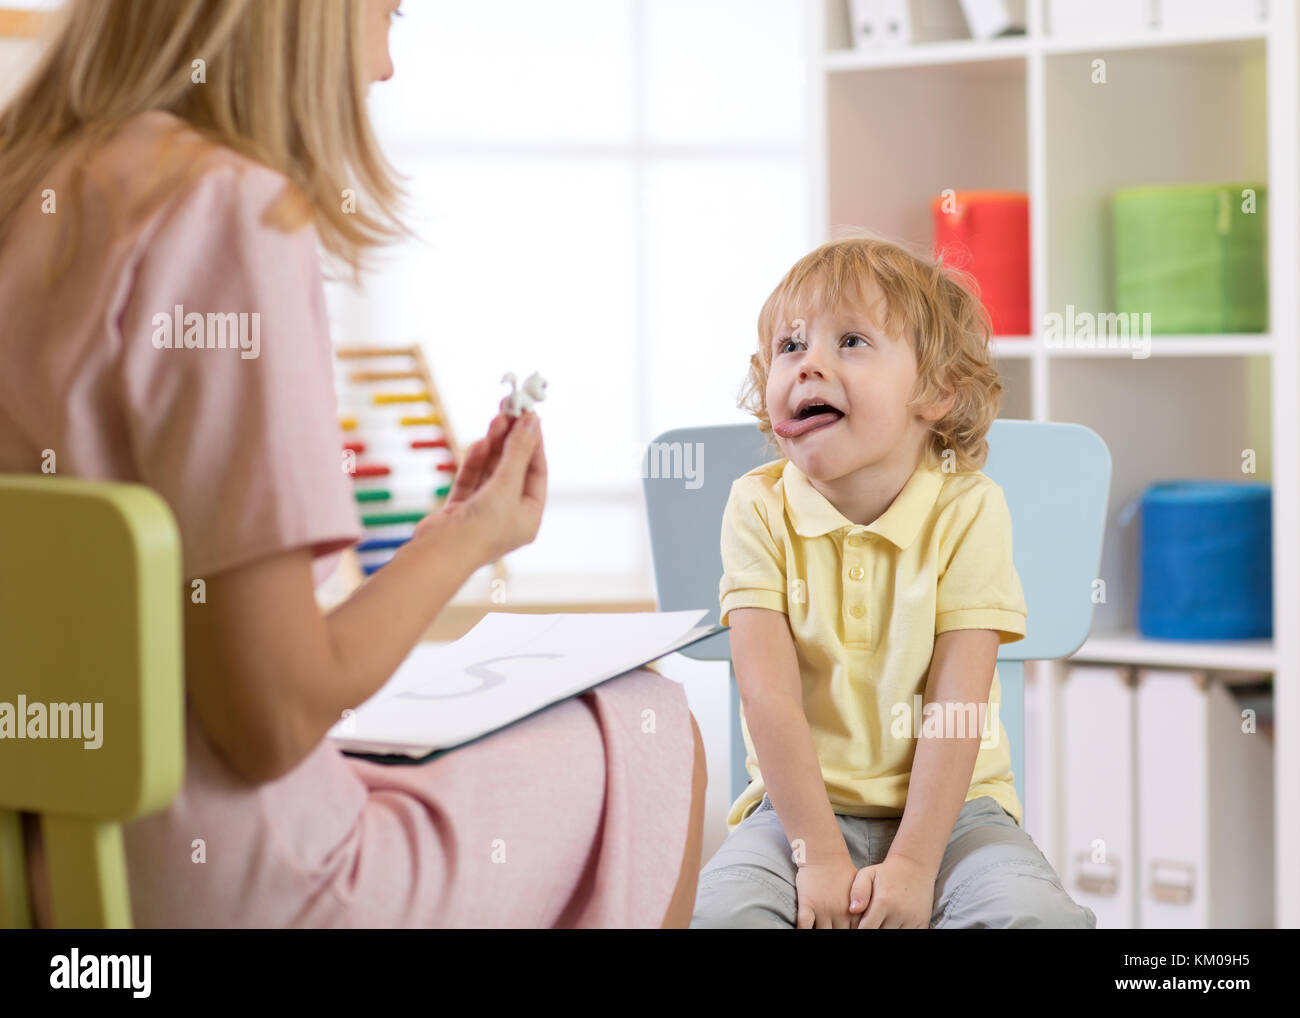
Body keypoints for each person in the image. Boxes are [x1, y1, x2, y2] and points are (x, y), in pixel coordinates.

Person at [0, 0, 704, 929]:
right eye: (389, 15)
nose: (384, 66)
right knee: (654, 723)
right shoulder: (225, 208)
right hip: (229, 885)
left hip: (45, 855)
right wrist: (469, 538)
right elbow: (274, 720)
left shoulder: (26, 183)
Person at [690, 236, 1096, 929]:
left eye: (850, 341)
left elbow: (955, 703)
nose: (808, 363)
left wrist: (911, 866)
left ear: (936, 390)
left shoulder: (968, 507)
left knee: (1035, 918)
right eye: (789, 347)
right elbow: (768, 695)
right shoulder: (756, 507)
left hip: (957, 816)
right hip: (792, 817)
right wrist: (816, 852)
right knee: (720, 917)